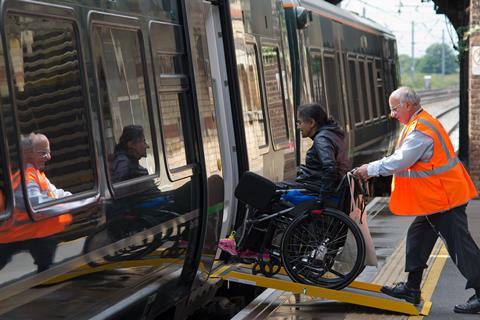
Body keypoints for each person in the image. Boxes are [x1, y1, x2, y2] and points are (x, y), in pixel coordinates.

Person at [353, 86, 480, 313]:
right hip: (437, 198)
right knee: (417, 236)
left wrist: (369, 169)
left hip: (445, 199)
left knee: (461, 247)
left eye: (394, 109)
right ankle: (411, 288)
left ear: (408, 105)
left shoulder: (421, 129)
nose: (392, 114)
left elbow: (400, 161)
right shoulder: (418, 123)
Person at [220, 102, 349, 257]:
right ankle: (255, 247)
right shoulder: (332, 135)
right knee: (267, 193)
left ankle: (242, 243)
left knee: (261, 193)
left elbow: (329, 167)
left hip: (312, 189)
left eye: (300, 122)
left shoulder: (322, 139)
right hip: (316, 187)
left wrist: (321, 198)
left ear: (312, 123)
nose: (298, 126)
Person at [0, 133, 72, 272]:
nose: (49, 157)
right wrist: (67, 206)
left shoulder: (36, 174)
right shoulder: (27, 176)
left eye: (48, 152)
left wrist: (76, 199)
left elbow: (56, 193)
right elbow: (36, 203)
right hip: (19, 233)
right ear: (27, 153)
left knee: (45, 269)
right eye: (43, 152)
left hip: (31, 233)